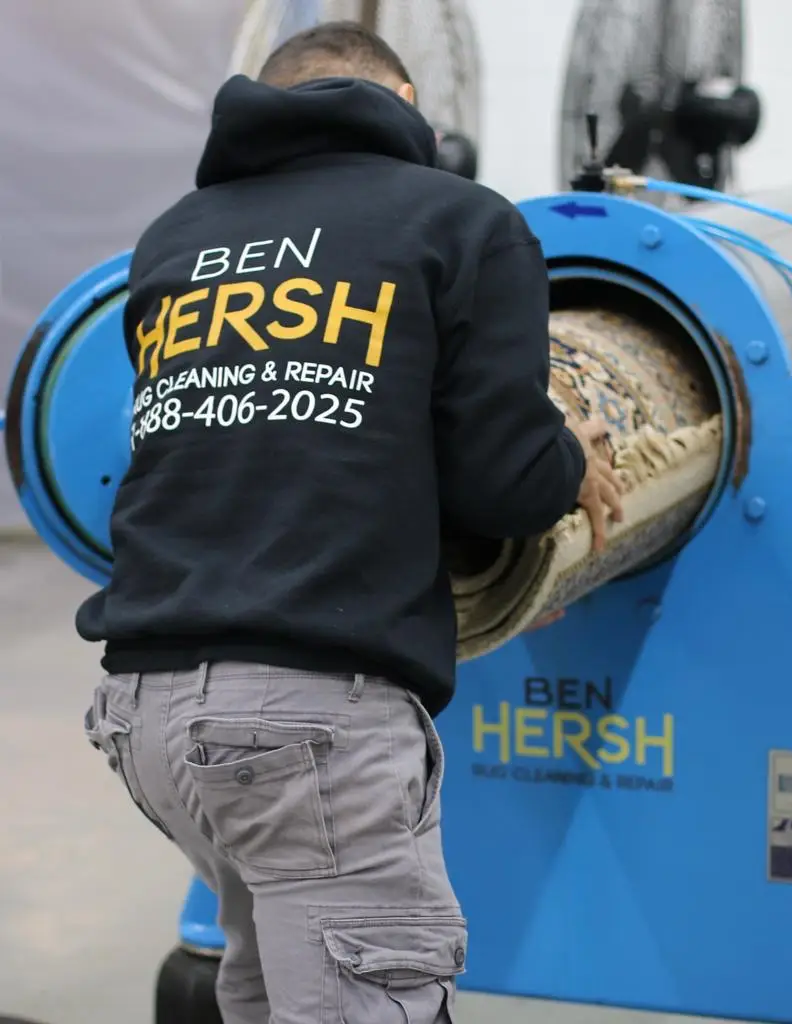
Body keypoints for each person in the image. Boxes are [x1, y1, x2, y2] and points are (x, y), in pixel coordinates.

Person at [78, 20, 623, 1024]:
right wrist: (572, 450)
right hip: (303, 717)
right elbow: (503, 484)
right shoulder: (461, 220)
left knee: (263, 987)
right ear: (408, 109)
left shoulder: (174, 238)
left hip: (141, 708)